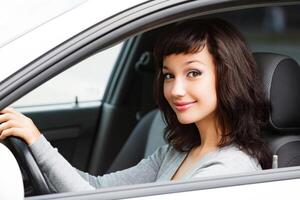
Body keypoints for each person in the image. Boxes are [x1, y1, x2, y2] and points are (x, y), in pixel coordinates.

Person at [0, 18, 272, 192]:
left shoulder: (228, 172)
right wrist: (34, 144)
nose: (176, 90)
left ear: (227, 76)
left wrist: (37, 141)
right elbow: (97, 188)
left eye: (193, 73)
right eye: (168, 75)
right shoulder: (177, 152)